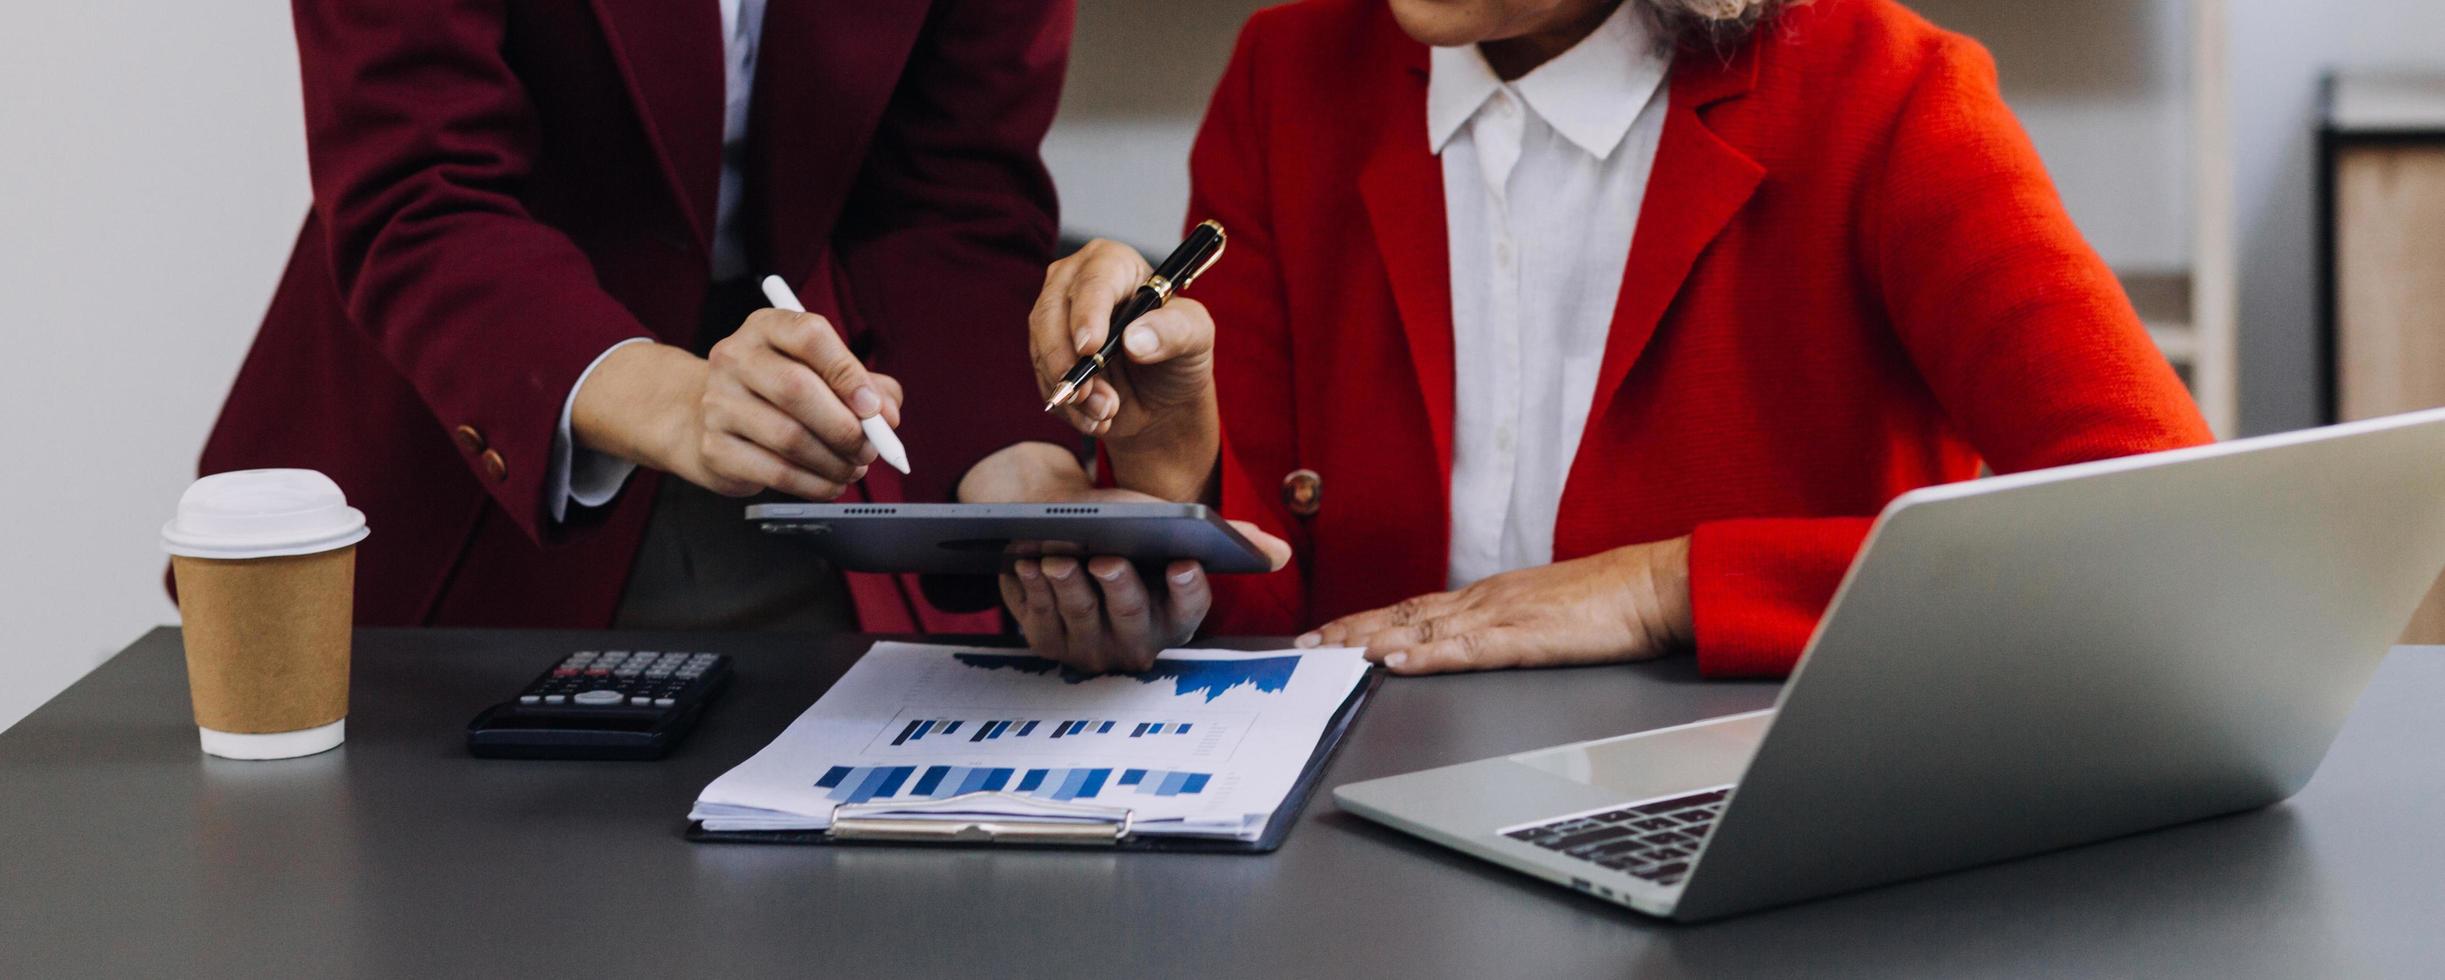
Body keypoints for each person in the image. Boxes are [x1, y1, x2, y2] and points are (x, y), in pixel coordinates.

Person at [967, 0, 2212, 676]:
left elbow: (2165, 542)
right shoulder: (1288, 74)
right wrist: (1156, 485)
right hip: (1363, 868)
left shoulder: (1888, 93)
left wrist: (1670, 585)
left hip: (1769, 841)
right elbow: (1277, 603)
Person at [195, 0, 1075, 631]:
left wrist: (1020, 467)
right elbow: (420, 188)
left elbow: (952, 195)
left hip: (806, 446)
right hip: (479, 443)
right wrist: (676, 402)